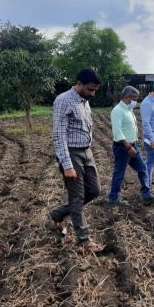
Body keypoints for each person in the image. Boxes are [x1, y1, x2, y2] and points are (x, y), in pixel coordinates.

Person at [49, 68, 102, 252]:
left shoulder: (84, 101)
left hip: (86, 152)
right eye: (90, 89)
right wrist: (67, 164)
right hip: (71, 153)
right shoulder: (64, 100)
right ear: (79, 83)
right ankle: (84, 240)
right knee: (77, 197)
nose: (92, 93)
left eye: (95, 90)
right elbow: (58, 135)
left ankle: (58, 213)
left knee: (94, 190)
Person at [107, 86, 154, 206]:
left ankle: (147, 196)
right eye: (134, 98)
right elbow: (117, 132)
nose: (136, 101)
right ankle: (112, 199)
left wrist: (133, 144)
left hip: (133, 146)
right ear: (127, 97)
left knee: (143, 169)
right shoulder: (118, 111)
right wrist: (128, 147)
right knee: (119, 173)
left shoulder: (129, 109)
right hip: (123, 148)